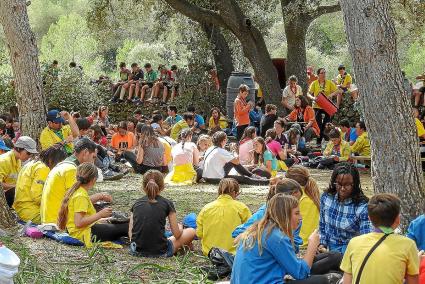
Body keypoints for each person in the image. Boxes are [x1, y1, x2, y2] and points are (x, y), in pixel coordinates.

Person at [231, 194, 330, 284]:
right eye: (296, 213)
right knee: (322, 281)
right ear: (285, 215)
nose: (300, 217)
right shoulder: (277, 237)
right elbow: (301, 274)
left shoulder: (259, 229)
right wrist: (312, 245)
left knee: (332, 257)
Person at [341, 193, 419, 284]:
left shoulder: (354, 243)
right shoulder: (408, 245)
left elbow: (347, 281)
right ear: (398, 219)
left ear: (369, 218)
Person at [57, 163, 128, 247]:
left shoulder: (77, 191)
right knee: (126, 226)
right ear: (94, 180)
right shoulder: (81, 195)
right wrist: (100, 215)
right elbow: (78, 223)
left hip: (82, 231)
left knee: (119, 223)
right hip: (85, 234)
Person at [129, 170, 196, 257]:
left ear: (143, 186)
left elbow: (131, 232)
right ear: (163, 187)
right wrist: (180, 227)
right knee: (191, 231)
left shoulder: (136, 204)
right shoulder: (167, 203)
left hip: (136, 250)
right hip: (161, 250)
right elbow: (177, 234)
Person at [40, 138, 101, 224]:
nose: (93, 163)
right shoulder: (71, 169)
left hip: (50, 219)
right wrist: (99, 197)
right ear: (85, 152)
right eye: (93, 157)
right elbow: (77, 203)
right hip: (57, 222)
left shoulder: (65, 164)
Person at [319, 163, 372, 253]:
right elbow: (322, 224)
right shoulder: (326, 198)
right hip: (329, 249)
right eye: (339, 184)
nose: (342, 189)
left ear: (354, 184)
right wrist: (321, 244)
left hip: (351, 251)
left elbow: (366, 238)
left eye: (347, 185)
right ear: (334, 182)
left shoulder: (362, 207)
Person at [13, 144, 67, 223]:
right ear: (52, 160)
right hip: (31, 212)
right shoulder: (43, 168)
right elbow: (38, 197)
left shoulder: (32, 163)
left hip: (21, 209)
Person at [197, 178, 251, 255]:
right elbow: (251, 229)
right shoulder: (241, 207)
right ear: (235, 193)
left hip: (210, 253)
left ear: (219, 191)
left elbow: (199, 234)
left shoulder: (206, 208)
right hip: (235, 253)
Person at [202, 131, 268, 185]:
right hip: (216, 178)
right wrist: (234, 151)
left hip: (207, 177)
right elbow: (236, 161)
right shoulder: (221, 151)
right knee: (244, 178)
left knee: (232, 162)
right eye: (226, 140)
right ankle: (265, 181)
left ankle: (252, 175)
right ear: (223, 140)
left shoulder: (210, 149)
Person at [285, 166, 320, 246]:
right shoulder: (309, 194)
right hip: (308, 241)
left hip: (302, 243)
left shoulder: (302, 199)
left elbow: (303, 231)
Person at [0, 136, 38, 207]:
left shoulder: (18, 160)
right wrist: (16, 186)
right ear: (19, 149)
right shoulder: (3, 161)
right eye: (28, 153)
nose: (29, 156)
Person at [308, 68, 338, 142]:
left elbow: (338, 91)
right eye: (322, 73)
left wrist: (331, 95)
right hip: (316, 106)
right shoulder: (314, 83)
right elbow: (308, 93)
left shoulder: (329, 82)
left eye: (325, 72)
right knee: (318, 124)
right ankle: (319, 141)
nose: (324, 74)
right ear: (318, 75)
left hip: (326, 106)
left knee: (327, 124)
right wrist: (313, 98)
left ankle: (327, 140)